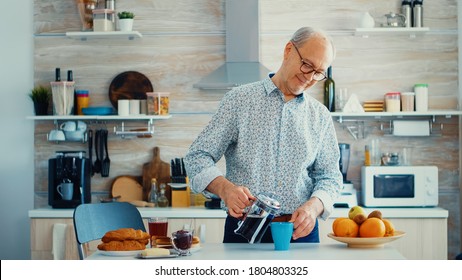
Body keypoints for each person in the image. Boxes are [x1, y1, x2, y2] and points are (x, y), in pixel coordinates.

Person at [184, 27, 342, 243]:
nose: (309, 77)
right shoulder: (239, 100)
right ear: (288, 50)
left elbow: (330, 177)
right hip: (243, 229)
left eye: (318, 73)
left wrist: (314, 207)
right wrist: (225, 189)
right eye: (307, 65)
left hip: (299, 234)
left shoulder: (320, 115)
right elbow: (197, 157)